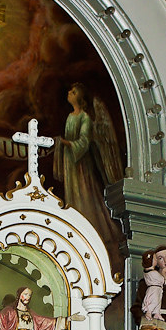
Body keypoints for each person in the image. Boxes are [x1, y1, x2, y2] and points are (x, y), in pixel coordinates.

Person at [52, 82, 124, 244]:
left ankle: (91, 225)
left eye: (74, 91)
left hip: (81, 164)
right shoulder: (71, 117)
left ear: (81, 97)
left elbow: (84, 141)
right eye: (70, 90)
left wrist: (66, 143)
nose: (70, 92)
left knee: (84, 191)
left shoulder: (85, 118)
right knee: (72, 192)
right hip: (71, 163)